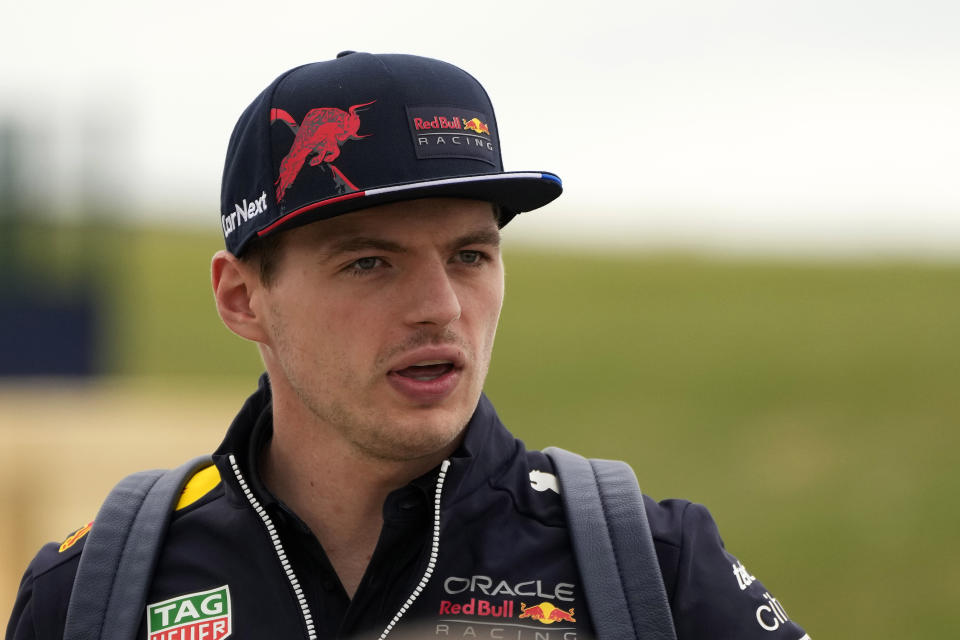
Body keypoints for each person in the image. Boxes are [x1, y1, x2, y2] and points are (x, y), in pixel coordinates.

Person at [6, 52, 809, 640]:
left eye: (470, 256)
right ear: (242, 297)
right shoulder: (92, 595)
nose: (439, 309)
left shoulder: (652, 569)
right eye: (369, 263)